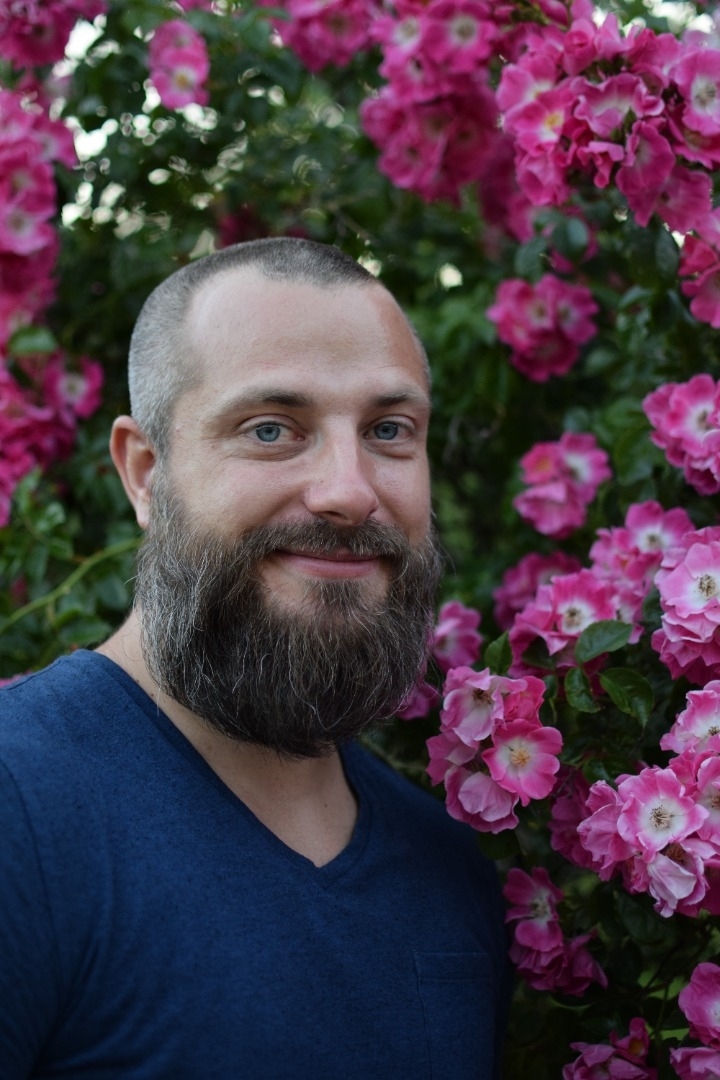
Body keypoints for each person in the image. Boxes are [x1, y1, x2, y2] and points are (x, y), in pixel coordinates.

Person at [0, 238, 511, 1079]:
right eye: (271, 429)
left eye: (388, 430)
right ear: (146, 473)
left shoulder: (450, 874)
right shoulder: (21, 810)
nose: (349, 491)